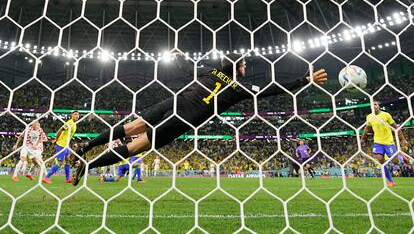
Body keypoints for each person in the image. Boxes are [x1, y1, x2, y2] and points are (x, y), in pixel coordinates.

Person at [71, 52, 328, 186]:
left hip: (174, 102)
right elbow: (272, 89)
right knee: (137, 145)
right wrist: (304, 80)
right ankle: (89, 165)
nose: (246, 68)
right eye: (244, 65)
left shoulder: (209, 70)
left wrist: (180, 57)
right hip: (183, 119)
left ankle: (87, 146)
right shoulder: (240, 88)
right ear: (237, 68)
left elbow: (186, 68)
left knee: (130, 126)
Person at [361, 101, 409, 187]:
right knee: (380, 161)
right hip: (378, 142)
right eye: (372, 105)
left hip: (388, 142)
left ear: (378, 106)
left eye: (375, 104)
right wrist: (362, 139)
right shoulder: (369, 117)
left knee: (395, 162)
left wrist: (403, 139)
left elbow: (396, 127)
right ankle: (391, 181)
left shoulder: (386, 115)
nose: (374, 106)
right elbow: (367, 128)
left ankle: (401, 157)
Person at [43, 111, 79, 184]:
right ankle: (46, 177)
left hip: (66, 145)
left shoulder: (74, 124)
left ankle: (68, 179)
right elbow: (60, 130)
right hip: (61, 145)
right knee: (60, 162)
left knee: (68, 161)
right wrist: (56, 139)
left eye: (78, 114)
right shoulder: (69, 123)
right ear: (71, 115)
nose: (77, 116)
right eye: (75, 114)